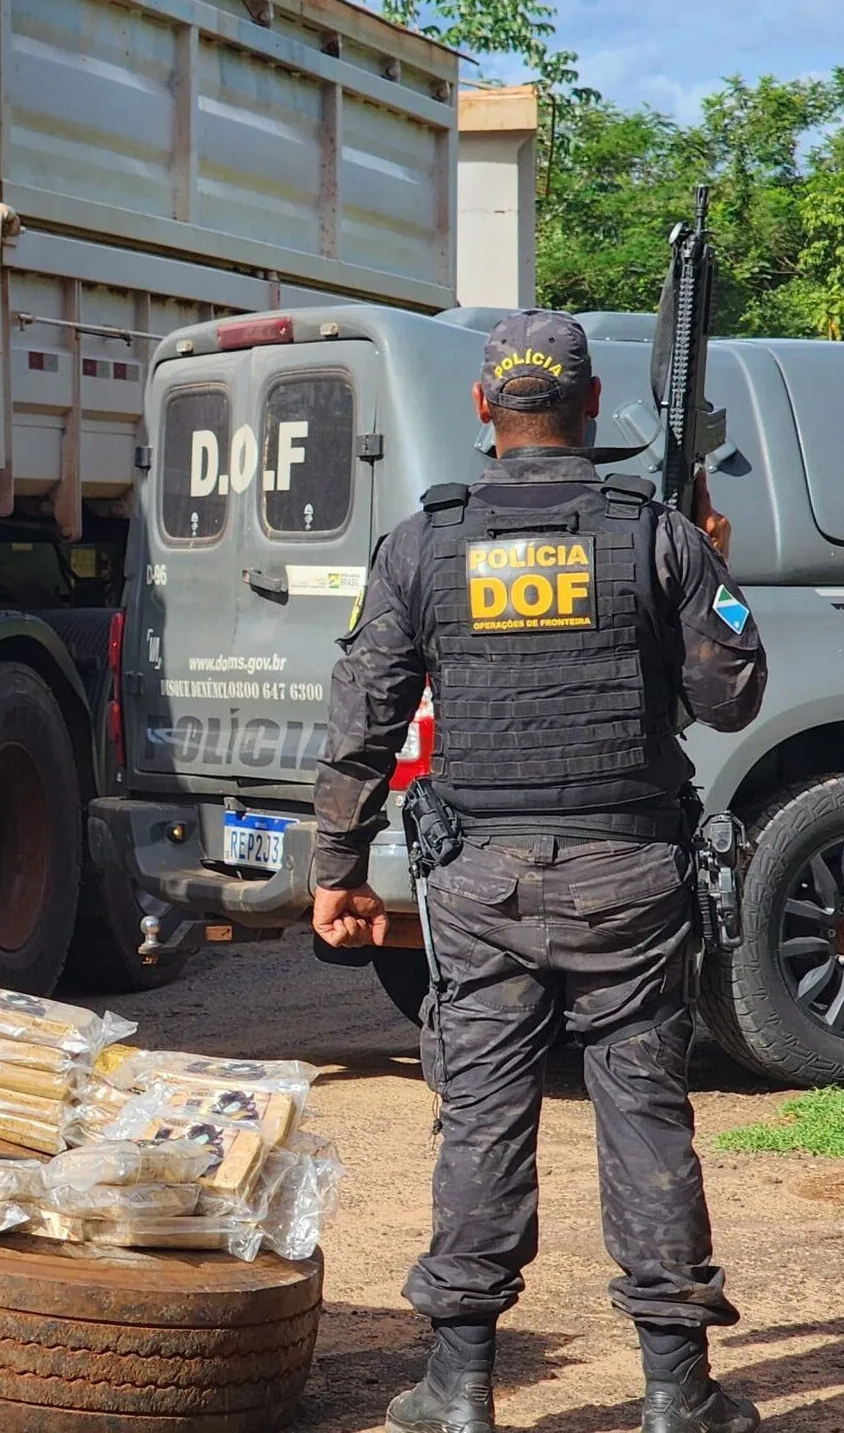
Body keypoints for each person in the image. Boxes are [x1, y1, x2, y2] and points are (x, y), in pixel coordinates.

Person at [310, 310, 767, 1433]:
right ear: (591, 401)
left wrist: (334, 864)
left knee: (480, 1112)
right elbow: (732, 697)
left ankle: (459, 1390)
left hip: (481, 884)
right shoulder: (657, 534)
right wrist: (721, 559)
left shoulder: (426, 543)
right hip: (629, 875)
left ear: (485, 409)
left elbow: (361, 719)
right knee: (646, 1111)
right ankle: (678, 1395)